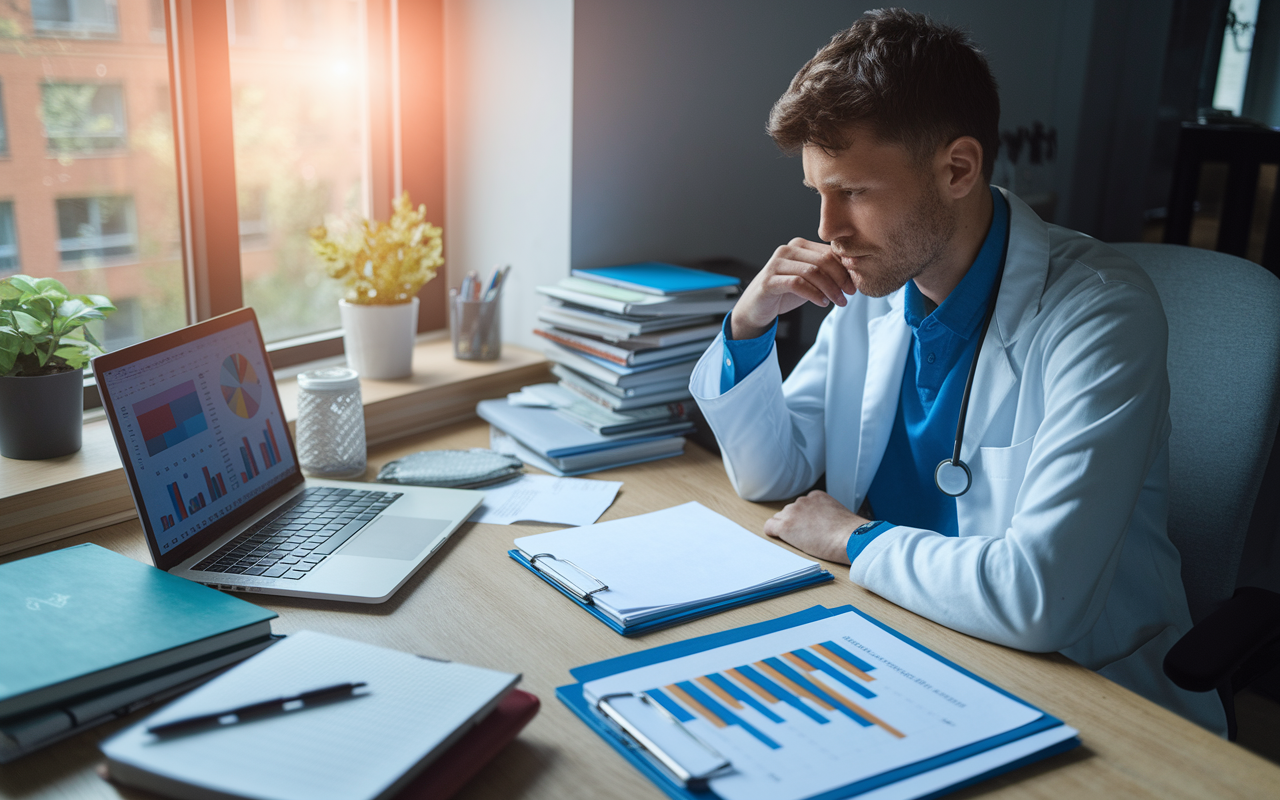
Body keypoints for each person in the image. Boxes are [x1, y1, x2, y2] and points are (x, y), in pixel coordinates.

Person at [689, 8, 1225, 733]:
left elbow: (1039, 599)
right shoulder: (872, 292)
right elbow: (771, 476)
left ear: (958, 168)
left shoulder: (1100, 313)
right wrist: (750, 324)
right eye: (817, 192)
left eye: (853, 191)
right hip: (906, 643)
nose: (827, 229)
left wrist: (852, 538)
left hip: (1084, 695)